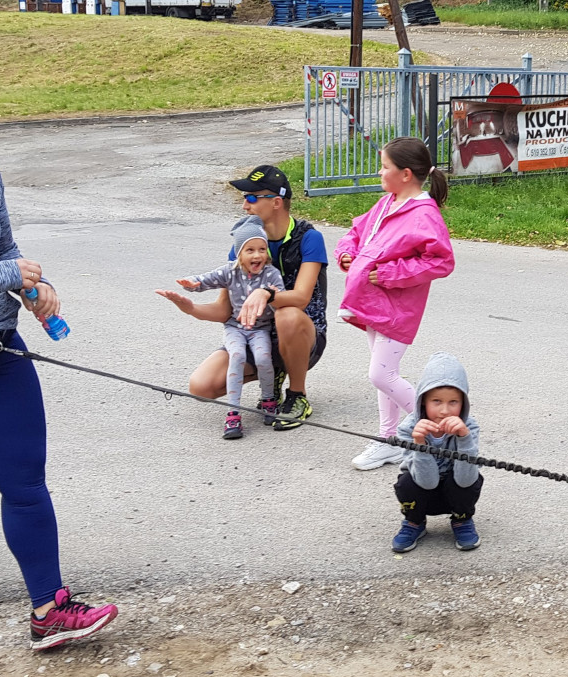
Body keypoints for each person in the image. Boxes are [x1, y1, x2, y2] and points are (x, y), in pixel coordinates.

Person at [0, 152, 119, 650]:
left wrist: (35, 288)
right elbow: (2, 266)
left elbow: (5, 249)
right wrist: (7, 275)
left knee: (24, 484)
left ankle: (48, 610)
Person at [157, 165, 327, 430]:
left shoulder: (309, 238)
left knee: (288, 313)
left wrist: (266, 293)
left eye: (251, 198)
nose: (244, 206)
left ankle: (297, 395)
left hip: (303, 335)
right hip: (255, 335)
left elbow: (302, 298)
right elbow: (225, 310)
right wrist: (190, 308)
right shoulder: (244, 244)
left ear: (276, 202)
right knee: (201, 387)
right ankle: (273, 374)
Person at [335, 137, 455, 470]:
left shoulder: (424, 214)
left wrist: (390, 274)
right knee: (386, 372)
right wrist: (347, 252)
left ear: (405, 174)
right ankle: (389, 439)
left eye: (385, 167)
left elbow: (441, 261)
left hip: (398, 310)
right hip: (372, 304)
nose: (379, 172)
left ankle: (439, 434)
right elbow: (357, 231)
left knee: (381, 375)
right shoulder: (388, 202)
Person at [173, 215, 284, 439]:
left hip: (260, 329)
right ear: (239, 254)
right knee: (237, 356)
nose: (257, 255)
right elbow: (206, 280)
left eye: (262, 249)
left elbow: (280, 298)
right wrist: (191, 284)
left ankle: (269, 400)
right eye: (250, 250)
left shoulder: (271, 274)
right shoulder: (230, 271)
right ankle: (233, 413)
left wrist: (272, 296)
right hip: (235, 328)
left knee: (263, 358)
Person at [391, 352, 483, 553]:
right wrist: (420, 444)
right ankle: (414, 522)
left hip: (456, 487)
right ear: (423, 400)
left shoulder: (469, 426)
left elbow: (466, 479)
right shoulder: (409, 428)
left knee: (474, 477)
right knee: (406, 482)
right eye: (437, 401)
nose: (444, 411)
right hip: (424, 487)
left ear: (463, 403)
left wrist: (464, 438)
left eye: (453, 402)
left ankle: (462, 520)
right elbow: (427, 482)